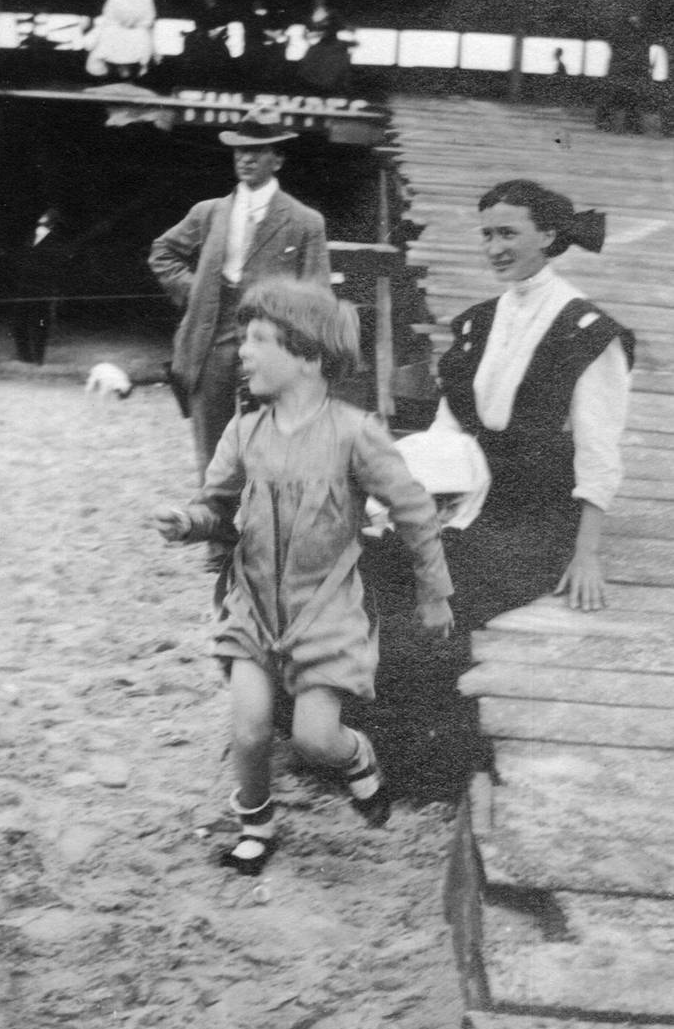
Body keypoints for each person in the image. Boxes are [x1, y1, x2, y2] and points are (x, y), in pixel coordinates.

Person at [155, 279, 454, 875]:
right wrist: (187, 523)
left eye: (259, 340)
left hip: (327, 610)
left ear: (309, 355)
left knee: (318, 739)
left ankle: (359, 758)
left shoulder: (355, 432)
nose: (243, 352)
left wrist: (434, 591)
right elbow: (218, 509)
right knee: (250, 729)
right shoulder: (244, 432)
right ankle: (256, 825)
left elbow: (416, 512)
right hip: (254, 605)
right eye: (244, 340)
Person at [434, 179, 635, 631]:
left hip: (536, 517)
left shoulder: (587, 331)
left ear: (547, 236)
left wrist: (587, 555)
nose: (494, 248)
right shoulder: (477, 321)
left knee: (444, 603)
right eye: (487, 235)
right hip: (469, 499)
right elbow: (446, 429)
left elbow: (598, 451)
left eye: (508, 233)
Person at [148, 105, 331, 487]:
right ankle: (217, 541)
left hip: (271, 346)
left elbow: (317, 295)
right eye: (239, 151)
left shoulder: (304, 221)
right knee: (213, 448)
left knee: (268, 443)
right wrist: (193, 289)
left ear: (277, 159)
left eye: (257, 150)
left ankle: (260, 535)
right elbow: (162, 252)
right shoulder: (210, 212)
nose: (246, 158)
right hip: (210, 342)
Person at [9, 209, 71, 365]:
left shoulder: (56, 242)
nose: (42, 221)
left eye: (46, 219)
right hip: (24, 287)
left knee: (40, 324)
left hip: (42, 289)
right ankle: (24, 356)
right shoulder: (30, 237)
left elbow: (57, 268)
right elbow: (21, 258)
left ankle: (38, 358)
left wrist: (54, 289)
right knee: (18, 322)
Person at [86, 0, 156, 81]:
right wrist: (120, 22)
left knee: (143, 36)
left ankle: (137, 70)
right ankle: (106, 71)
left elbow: (149, 17)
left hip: (136, 29)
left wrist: (136, 23)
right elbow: (107, 13)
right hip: (115, 26)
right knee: (108, 33)